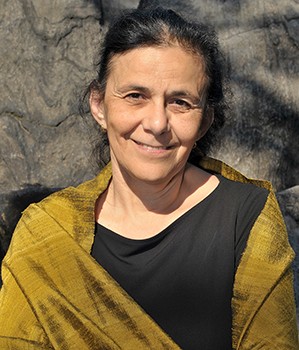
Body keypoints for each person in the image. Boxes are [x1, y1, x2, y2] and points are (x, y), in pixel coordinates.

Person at [0, 6, 298, 350]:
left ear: (204, 121)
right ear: (99, 105)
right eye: (135, 96)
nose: (157, 123)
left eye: (181, 102)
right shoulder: (44, 236)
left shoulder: (247, 217)